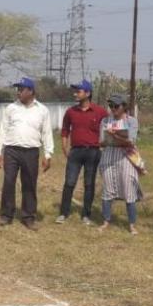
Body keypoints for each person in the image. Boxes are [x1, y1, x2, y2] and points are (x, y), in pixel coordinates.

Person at [0, 77, 53, 230]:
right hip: (11, 151)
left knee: (29, 184)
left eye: (21, 89)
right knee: (8, 182)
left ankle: (28, 217)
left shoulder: (42, 110)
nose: (18, 92)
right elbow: (3, 130)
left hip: (31, 152)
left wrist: (48, 154)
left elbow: (46, 133)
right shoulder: (11, 108)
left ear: (31, 91)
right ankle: (6, 215)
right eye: (17, 89)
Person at [56, 80, 108, 225]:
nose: (75, 94)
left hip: (93, 152)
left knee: (89, 184)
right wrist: (64, 147)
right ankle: (63, 213)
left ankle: (86, 215)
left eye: (78, 91)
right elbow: (65, 130)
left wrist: (104, 145)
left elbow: (109, 128)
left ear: (88, 93)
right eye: (75, 91)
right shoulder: (70, 112)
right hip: (75, 152)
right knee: (69, 182)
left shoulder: (100, 112)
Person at [98, 94, 142, 235]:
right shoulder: (105, 121)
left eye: (116, 106)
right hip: (109, 156)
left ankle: (132, 224)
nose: (113, 108)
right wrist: (106, 139)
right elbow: (101, 142)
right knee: (108, 189)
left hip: (126, 158)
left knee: (129, 189)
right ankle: (106, 221)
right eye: (111, 106)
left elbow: (131, 141)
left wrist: (115, 136)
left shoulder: (131, 121)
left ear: (124, 106)